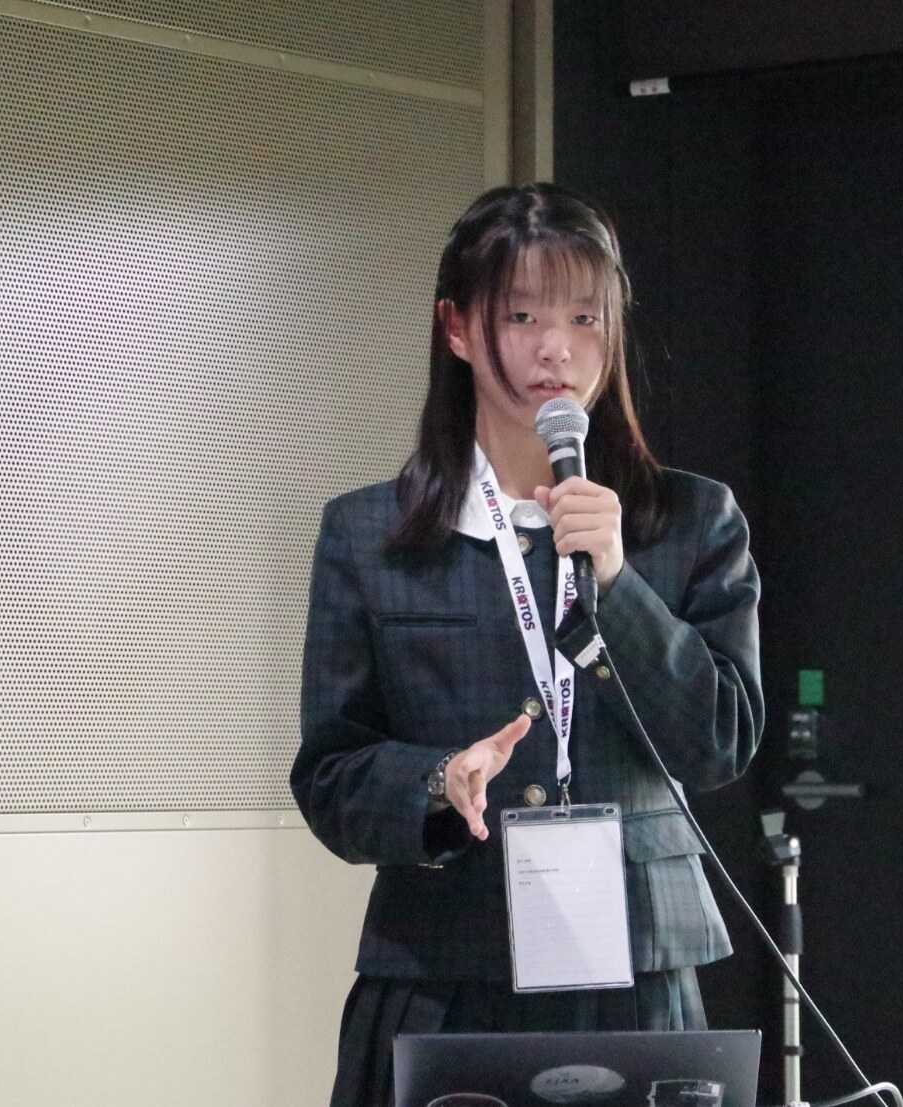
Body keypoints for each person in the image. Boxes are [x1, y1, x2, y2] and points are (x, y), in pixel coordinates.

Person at [290, 182, 763, 1107]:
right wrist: (436, 781)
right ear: (458, 328)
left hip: (639, 967)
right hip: (444, 965)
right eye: (522, 316)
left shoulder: (691, 520)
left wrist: (618, 582)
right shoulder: (370, 534)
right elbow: (330, 776)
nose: (558, 348)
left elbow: (721, 742)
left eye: (586, 317)